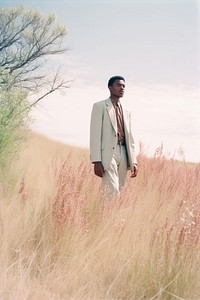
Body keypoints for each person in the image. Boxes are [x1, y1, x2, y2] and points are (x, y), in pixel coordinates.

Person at [90, 75, 138, 198]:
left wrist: (134, 161)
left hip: (124, 152)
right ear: (110, 87)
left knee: (120, 189)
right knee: (112, 190)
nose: (122, 88)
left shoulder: (127, 111)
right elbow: (95, 134)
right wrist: (96, 160)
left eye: (123, 86)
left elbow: (131, 137)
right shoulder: (99, 106)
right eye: (118, 85)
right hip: (107, 153)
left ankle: (110, 215)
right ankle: (107, 216)